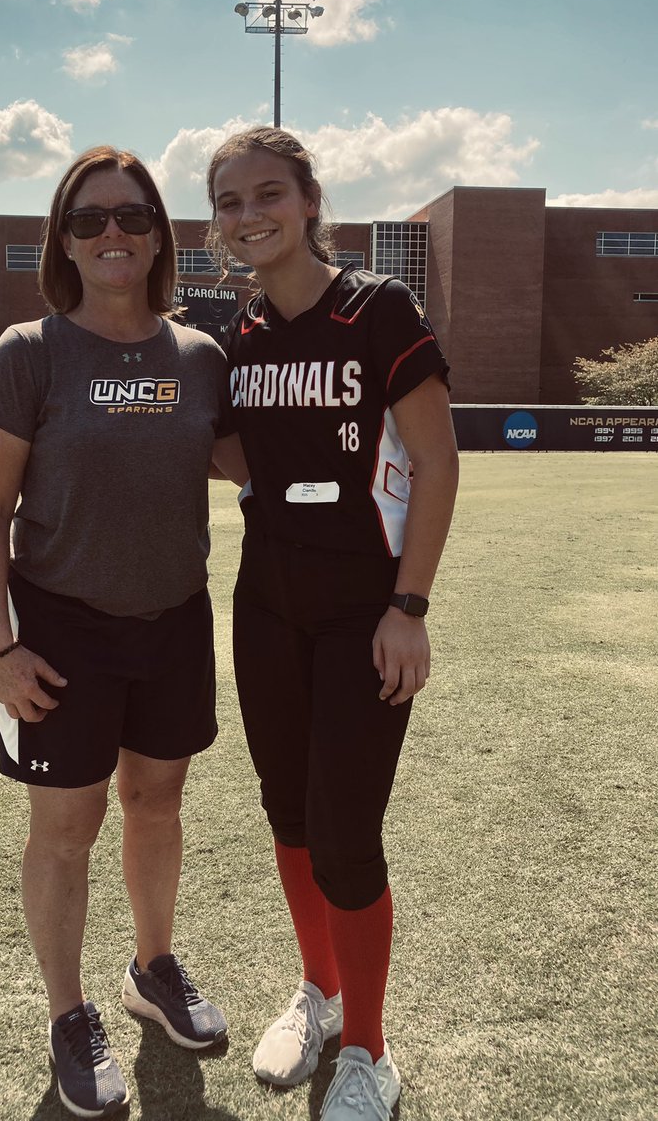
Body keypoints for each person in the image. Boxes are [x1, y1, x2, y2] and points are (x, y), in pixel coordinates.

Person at [0, 146, 242, 1119]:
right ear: (65, 242)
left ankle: (153, 970)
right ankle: (70, 1013)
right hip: (61, 631)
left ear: (161, 234)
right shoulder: (29, 355)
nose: (113, 232)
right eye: (90, 220)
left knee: (156, 803)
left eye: (132, 216)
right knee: (66, 828)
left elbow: (262, 463)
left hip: (174, 622)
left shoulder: (202, 358)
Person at [205, 127, 459, 1121]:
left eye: (268, 193)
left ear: (309, 201)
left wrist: (409, 606)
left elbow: (436, 463)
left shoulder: (377, 306)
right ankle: (319, 993)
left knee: (347, 833)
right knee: (289, 815)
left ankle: (370, 1052)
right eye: (228, 201)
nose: (248, 215)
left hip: (365, 606)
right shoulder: (239, 335)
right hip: (266, 597)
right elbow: (232, 454)